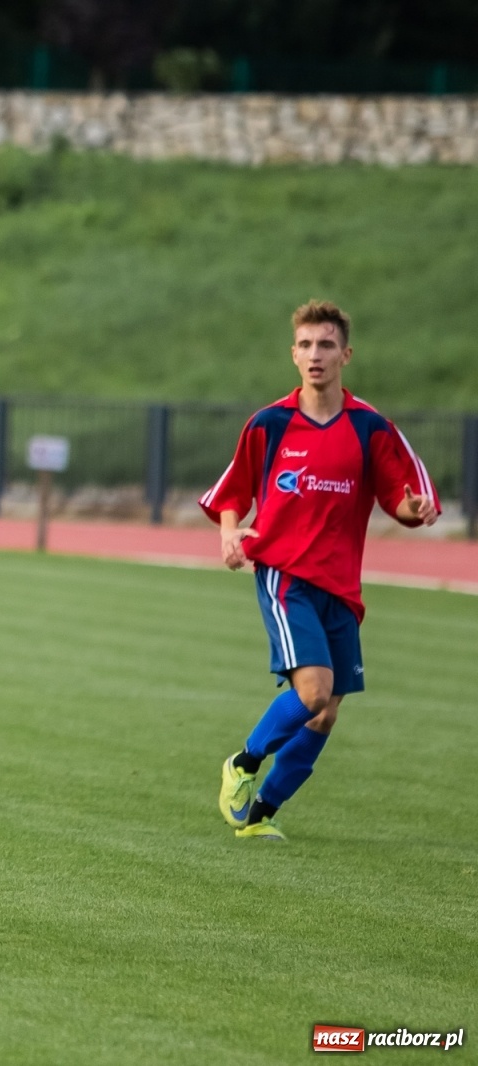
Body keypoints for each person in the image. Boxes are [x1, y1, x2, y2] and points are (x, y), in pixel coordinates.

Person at [203, 300, 440, 841]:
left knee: (325, 715)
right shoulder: (269, 423)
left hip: (341, 588)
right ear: (293, 354)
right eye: (306, 345)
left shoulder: (370, 428)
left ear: (346, 355)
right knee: (312, 692)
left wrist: (415, 509)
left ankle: (259, 817)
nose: (316, 355)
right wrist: (229, 534)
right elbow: (229, 493)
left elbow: (401, 499)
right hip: (285, 575)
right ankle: (242, 763)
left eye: (326, 345)